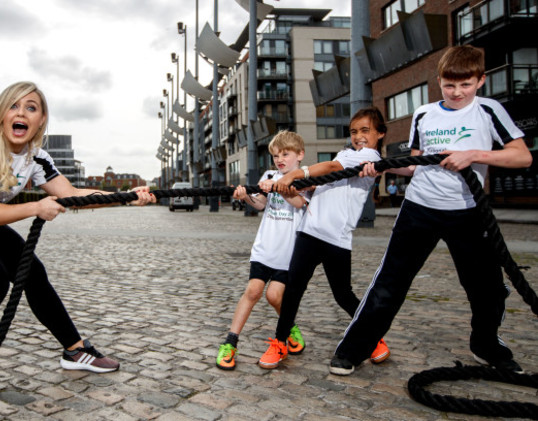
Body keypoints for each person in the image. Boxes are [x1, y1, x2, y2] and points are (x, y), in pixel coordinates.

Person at [0, 81, 156, 404]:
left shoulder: (36, 157)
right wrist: (36, 207)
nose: (21, 113)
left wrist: (127, 198)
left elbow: (72, 195)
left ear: (41, 120)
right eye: (14, 106)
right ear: (2, 113)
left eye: (31, 107)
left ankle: (75, 351)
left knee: (31, 272)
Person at [330, 45, 532, 376]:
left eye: (465, 85)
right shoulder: (424, 114)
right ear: (438, 80)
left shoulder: (489, 111)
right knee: (389, 283)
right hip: (419, 208)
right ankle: (354, 350)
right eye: (449, 85)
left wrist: (474, 156)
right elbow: (416, 164)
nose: (456, 92)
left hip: (468, 211)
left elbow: (522, 156)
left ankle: (486, 346)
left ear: (480, 80)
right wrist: (382, 167)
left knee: (488, 288)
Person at [257, 107, 391, 369]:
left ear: (380, 134)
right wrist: (291, 186)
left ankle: (373, 337)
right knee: (293, 289)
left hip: (336, 239)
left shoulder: (370, 157)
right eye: (354, 131)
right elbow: (322, 182)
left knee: (343, 294)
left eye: (365, 130)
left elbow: (330, 167)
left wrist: (295, 174)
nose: (359, 136)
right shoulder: (346, 154)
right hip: (310, 231)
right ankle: (280, 342)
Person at [216, 131, 310, 370]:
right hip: (264, 248)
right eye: (276, 155)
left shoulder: (306, 178)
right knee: (253, 291)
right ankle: (230, 343)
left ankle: (289, 328)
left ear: (300, 155)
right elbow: (260, 204)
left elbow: (300, 203)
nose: (280, 159)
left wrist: (280, 188)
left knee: (274, 296)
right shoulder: (269, 175)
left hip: (289, 254)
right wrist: (246, 195)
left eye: (285, 154)